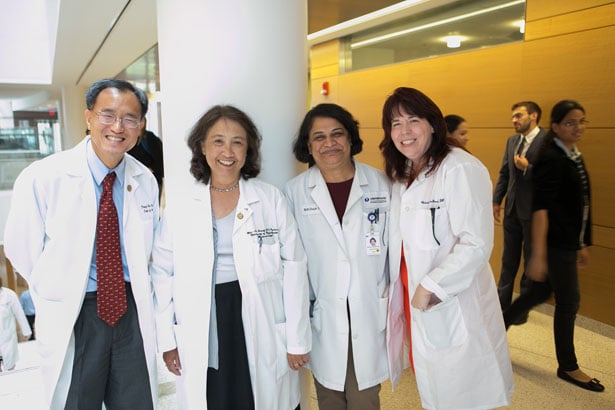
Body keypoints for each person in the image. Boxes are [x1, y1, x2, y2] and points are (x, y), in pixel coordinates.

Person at [4, 79, 160, 409]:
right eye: (108, 114)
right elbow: (20, 248)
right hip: (76, 311)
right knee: (76, 400)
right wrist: (58, 287)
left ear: (141, 127)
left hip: (130, 309)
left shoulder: (145, 179)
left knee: (135, 401)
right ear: (88, 117)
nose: (118, 127)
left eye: (130, 118)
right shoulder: (44, 176)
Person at [152, 105, 310, 409]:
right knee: (215, 397)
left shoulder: (269, 199)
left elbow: (295, 268)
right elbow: (162, 272)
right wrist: (167, 339)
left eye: (237, 141)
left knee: (261, 397)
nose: (228, 151)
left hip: (259, 311)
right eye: (218, 141)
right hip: (204, 316)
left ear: (248, 148)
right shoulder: (182, 206)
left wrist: (297, 339)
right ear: (202, 146)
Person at [381, 87, 513, 410]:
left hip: (448, 301)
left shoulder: (460, 169)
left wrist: (432, 285)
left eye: (414, 120)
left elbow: (477, 242)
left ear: (433, 124)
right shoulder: (402, 174)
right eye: (395, 124)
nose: (404, 131)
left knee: (461, 394)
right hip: (416, 302)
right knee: (437, 391)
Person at [284, 103, 390, 409]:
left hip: (368, 312)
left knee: (364, 399)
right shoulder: (295, 192)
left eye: (337, 134)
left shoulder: (382, 184)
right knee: (329, 397)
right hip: (324, 316)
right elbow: (293, 266)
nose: (328, 143)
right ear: (308, 145)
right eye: (318, 137)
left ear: (351, 137)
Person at [504, 100, 604, 392]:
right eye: (571, 122)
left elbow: (581, 203)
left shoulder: (572, 155)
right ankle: (568, 366)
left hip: (566, 241)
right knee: (569, 301)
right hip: (554, 244)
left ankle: (491, 332)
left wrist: (582, 242)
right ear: (557, 126)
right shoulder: (551, 157)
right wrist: (538, 254)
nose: (578, 127)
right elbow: (541, 209)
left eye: (582, 121)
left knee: (536, 293)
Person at [493, 101, 547, 324]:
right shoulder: (512, 141)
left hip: (535, 214)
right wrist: (497, 201)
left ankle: (521, 310)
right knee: (508, 259)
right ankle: (501, 303)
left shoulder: (549, 141)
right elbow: (505, 172)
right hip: (512, 209)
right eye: (513, 117)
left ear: (533, 116)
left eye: (518, 116)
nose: (514, 120)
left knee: (529, 261)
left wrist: (529, 169)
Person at [0, 277, 32, 372]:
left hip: (7, 336)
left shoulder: (9, 295)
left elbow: (19, 313)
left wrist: (26, 331)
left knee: (10, 367)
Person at [128, 118, 164, 201]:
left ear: (143, 123)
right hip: (134, 181)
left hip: (153, 179)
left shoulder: (150, 138)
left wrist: (151, 170)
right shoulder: (129, 139)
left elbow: (161, 160)